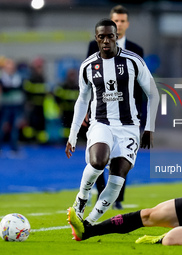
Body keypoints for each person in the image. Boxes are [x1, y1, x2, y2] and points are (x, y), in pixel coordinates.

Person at [65, 19, 159, 226]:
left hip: (129, 127)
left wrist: (149, 127)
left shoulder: (133, 61)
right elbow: (82, 100)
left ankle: (89, 223)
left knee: (118, 178)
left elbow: (153, 94)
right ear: (96, 39)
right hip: (101, 123)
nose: (106, 40)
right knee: (98, 161)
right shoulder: (88, 66)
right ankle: (81, 199)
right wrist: (72, 135)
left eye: (110, 36)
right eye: (102, 37)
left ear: (116, 37)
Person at [87, 5, 145, 210]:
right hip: (101, 113)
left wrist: (142, 116)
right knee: (99, 157)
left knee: (122, 155)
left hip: (128, 115)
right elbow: (90, 82)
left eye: (122, 21)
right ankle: (100, 193)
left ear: (127, 24)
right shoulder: (93, 47)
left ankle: (117, 198)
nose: (119, 24)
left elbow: (140, 86)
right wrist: (87, 110)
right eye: (115, 21)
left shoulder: (136, 51)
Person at [0, 58, 25, 153]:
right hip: (5, 105)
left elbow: (19, 88)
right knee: (2, 126)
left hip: (16, 105)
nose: (9, 69)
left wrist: (9, 88)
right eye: (7, 67)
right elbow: (5, 89)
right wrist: (11, 88)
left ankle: (14, 147)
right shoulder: (1, 77)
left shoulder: (18, 76)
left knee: (15, 127)